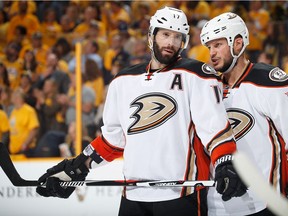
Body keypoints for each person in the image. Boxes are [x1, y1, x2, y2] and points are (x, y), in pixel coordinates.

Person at [36, 7, 246, 216]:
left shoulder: (197, 74)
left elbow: (215, 128)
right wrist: (79, 165)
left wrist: (225, 161)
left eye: (177, 37)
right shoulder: (123, 80)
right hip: (133, 196)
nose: (171, 43)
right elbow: (113, 140)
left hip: (182, 194)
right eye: (165, 34)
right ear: (151, 36)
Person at [200, 12, 288, 216]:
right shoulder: (207, 87)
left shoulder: (268, 82)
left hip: (265, 204)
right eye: (209, 47)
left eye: (218, 45)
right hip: (216, 206)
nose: (212, 53)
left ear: (238, 44)